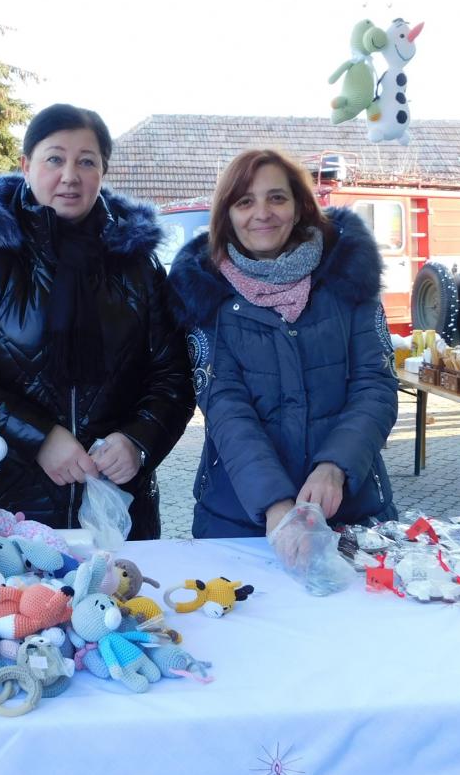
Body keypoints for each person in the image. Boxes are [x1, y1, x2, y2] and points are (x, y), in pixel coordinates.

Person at [0, 103, 194, 539]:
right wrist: (38, 437)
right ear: (26, 165)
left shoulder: (136, 262)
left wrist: (138, 441)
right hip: (8, 510)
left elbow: (173, 374)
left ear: (103, 171)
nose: (70, 175)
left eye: (87, 161)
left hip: (119, 510)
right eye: (55, 159)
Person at [168, 148, 398, 538]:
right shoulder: (204, 292)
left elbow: (375, 385)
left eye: (276, 197)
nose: (262, 213)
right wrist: (274, 503)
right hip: (238, 517)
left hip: (350, 510)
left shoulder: (349, 276)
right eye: (245, 202)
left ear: (299, 205)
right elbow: (225, 406)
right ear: (227, 214)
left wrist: (335, 467)